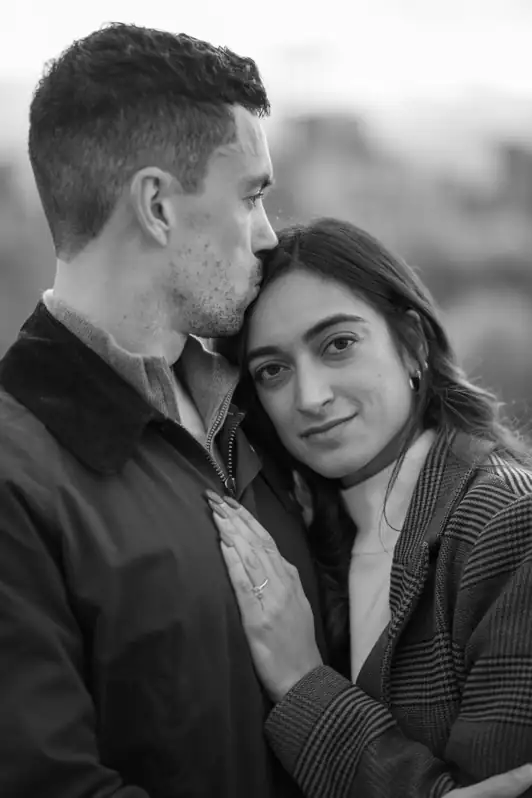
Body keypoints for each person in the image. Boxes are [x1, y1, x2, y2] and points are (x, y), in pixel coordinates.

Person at [0, 23, 328, 798]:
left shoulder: (259, 410)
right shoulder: (15, 475)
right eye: (250, 194)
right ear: (157, 205)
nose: (268, 232)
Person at [208, 218, 532, 798]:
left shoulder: (507, 523)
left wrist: (302, 682)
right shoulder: (317, 531)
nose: (311, 397)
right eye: (273, 370)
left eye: (338, 344)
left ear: (411, 342)